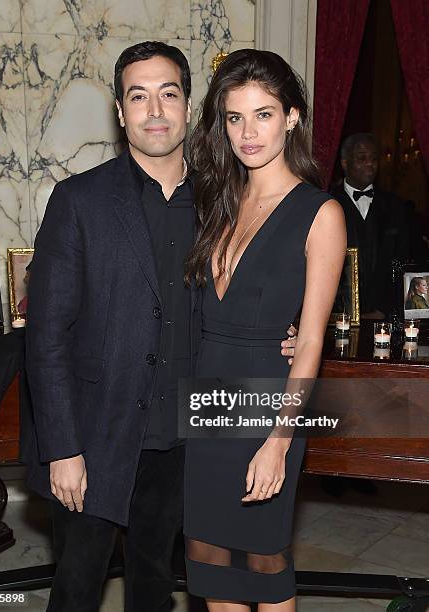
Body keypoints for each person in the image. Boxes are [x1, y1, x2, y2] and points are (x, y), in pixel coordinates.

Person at [25, 41, 297, 612]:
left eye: (167, 94)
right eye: (138, 96)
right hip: (96, 439)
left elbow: (247, 298)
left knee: (158, 585)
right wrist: (62, 447)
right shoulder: (79, 200)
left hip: (185, 440)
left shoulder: (224, 202)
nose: (154, 110)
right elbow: (45, 335)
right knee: (77, 586)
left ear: (188, 104)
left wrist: (285, 330)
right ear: (120, 112)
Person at [183, 49, 346, 610]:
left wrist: (280, 440)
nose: (248, 132)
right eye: (234, 117)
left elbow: (313, 340)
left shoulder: (320, 213)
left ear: (292, 116)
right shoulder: (217, 200)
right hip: (208, 399)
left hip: (267, 403)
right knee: (206, 556)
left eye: (264, 114)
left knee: (262, 557)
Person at [332, 133, 410, 318]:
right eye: (362, 158)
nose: (370, 164)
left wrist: (387, 309)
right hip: (339, 316)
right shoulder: (327, 204)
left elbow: (404, 260)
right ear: (345, 163)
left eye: (374, 159)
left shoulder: (395, 206)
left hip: (386, 317)